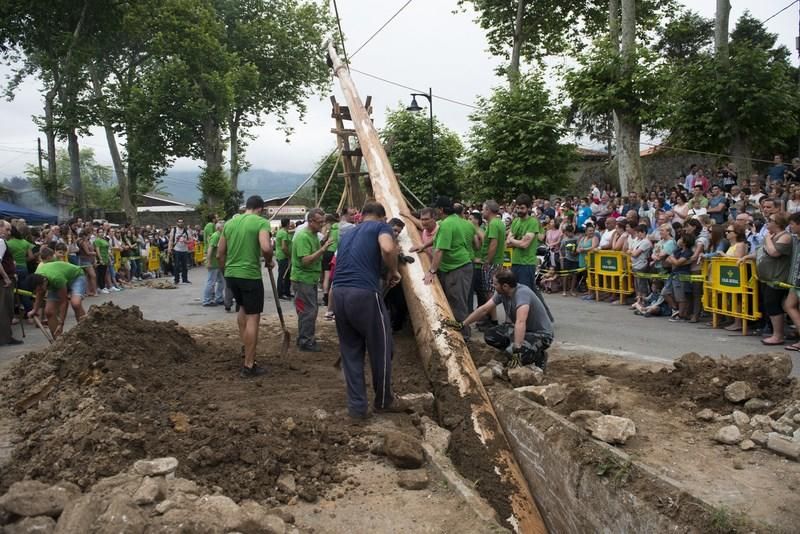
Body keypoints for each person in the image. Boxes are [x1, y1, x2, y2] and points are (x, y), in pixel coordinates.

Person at [332, 201, 402, 419]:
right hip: (363, 294)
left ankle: (357, 408)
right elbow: (388, 248)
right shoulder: (382, 227)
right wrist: (393, 270)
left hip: (339, 294)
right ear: (382, 216)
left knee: (351, 351)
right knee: (382, 347)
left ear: (362, 215)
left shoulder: (348, 233)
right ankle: (384, 400)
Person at [217, 195, 273, 377]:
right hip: (249, 275)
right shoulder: (261, 222)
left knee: (242, 309)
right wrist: (269, 261)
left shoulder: (230, 223)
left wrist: (226, 271)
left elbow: (220, 253)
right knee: (253, 318)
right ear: (260, 209)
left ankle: (246, 347)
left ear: (246, 207)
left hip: (232, 274)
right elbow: (265, 247)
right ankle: (249, 364)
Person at [462, 269, 554, 370]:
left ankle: (538, 356)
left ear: (505, 286)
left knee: (514, 353)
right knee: (491, 336)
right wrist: (463, 324)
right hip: (523, 331)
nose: (493, 286)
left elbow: (520, 322)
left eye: (495, 284)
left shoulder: (522, 294)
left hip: (541, 334)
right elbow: (484, 309)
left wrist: (517, 350)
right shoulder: (502, 293)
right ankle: (516, 350)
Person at [740, 211, 792, 345]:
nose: (767, 222)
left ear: (778, 223)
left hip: (777, 278)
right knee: (769, 305)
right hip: (766, 278)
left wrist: (768, 239)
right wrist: (747, 257)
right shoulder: (771, 236)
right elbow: (761, 251)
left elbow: (774, 252)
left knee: (774, 305)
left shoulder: (785, 237)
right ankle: (775, 332)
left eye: (770, 220)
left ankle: (778, 335)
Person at [291, 208, 332, 352]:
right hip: (303, 279)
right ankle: (306, 340)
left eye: (323, 222)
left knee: (305, 310)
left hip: (308, 279)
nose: (322, 225)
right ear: (310, 221)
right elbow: (305, 260)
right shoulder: (303, 237)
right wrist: (322, 250)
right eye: (319, 222)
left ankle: (303, 337)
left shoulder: (314, 235)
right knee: (309, 310)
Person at [28, 246, 87, 339]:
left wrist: (61, 323)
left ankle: (86, 331)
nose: (40, 291)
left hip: (76, 277)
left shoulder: (55, 278)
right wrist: (34, 310)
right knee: (49, 312)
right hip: (57, 279)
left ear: (44, 281)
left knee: (75, 303)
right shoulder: (38, 277)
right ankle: (58, 340)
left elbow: (64, 302)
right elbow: (39, 294)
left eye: (40, 288)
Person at [506, 194, 542, 290]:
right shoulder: (515, 221)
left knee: (524, 294)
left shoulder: (532, 222)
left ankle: (541, 306)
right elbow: (507, 243)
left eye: (522, 208)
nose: (519, 211)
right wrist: (517, 241)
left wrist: (513, 240)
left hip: (527, 264)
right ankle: (541, 306)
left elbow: (524, 244)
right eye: (517, 208)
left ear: (529, 208)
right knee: (516, 292)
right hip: (515, 262)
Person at [202, 221, 225, 306]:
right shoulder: (216, 236)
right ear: (219, 228)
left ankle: (219, 298)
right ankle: (206, 300)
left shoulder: (220, 236)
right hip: (214, 263)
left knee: (221, 281)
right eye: (223, 227)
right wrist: (209, 261)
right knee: (211, 282)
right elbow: (210, 249)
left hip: (218, 263)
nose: (225, 228)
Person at [274, 218, 293, 300]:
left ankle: (287, 292)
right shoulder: (283, 233)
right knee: (283, 275)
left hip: (282, 256)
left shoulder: (282, 231)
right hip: (283, 257)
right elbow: (284, 247)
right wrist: (289, 255)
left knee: (287, 275)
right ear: (287, 224)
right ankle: (281, 293)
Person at [168, 218, 191, 284]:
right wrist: (169, 248)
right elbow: (171, 240)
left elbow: (190, 240)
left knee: (184, 266)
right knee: (177, 265)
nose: (180, 223)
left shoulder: (187, 231)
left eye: (182, 222)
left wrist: (186, 241)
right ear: (177, 223)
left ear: (183, 223)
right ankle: (176, 280)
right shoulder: (174, 230)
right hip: (176, 249)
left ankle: (185, 279)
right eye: (179, 222)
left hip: (184, 250)